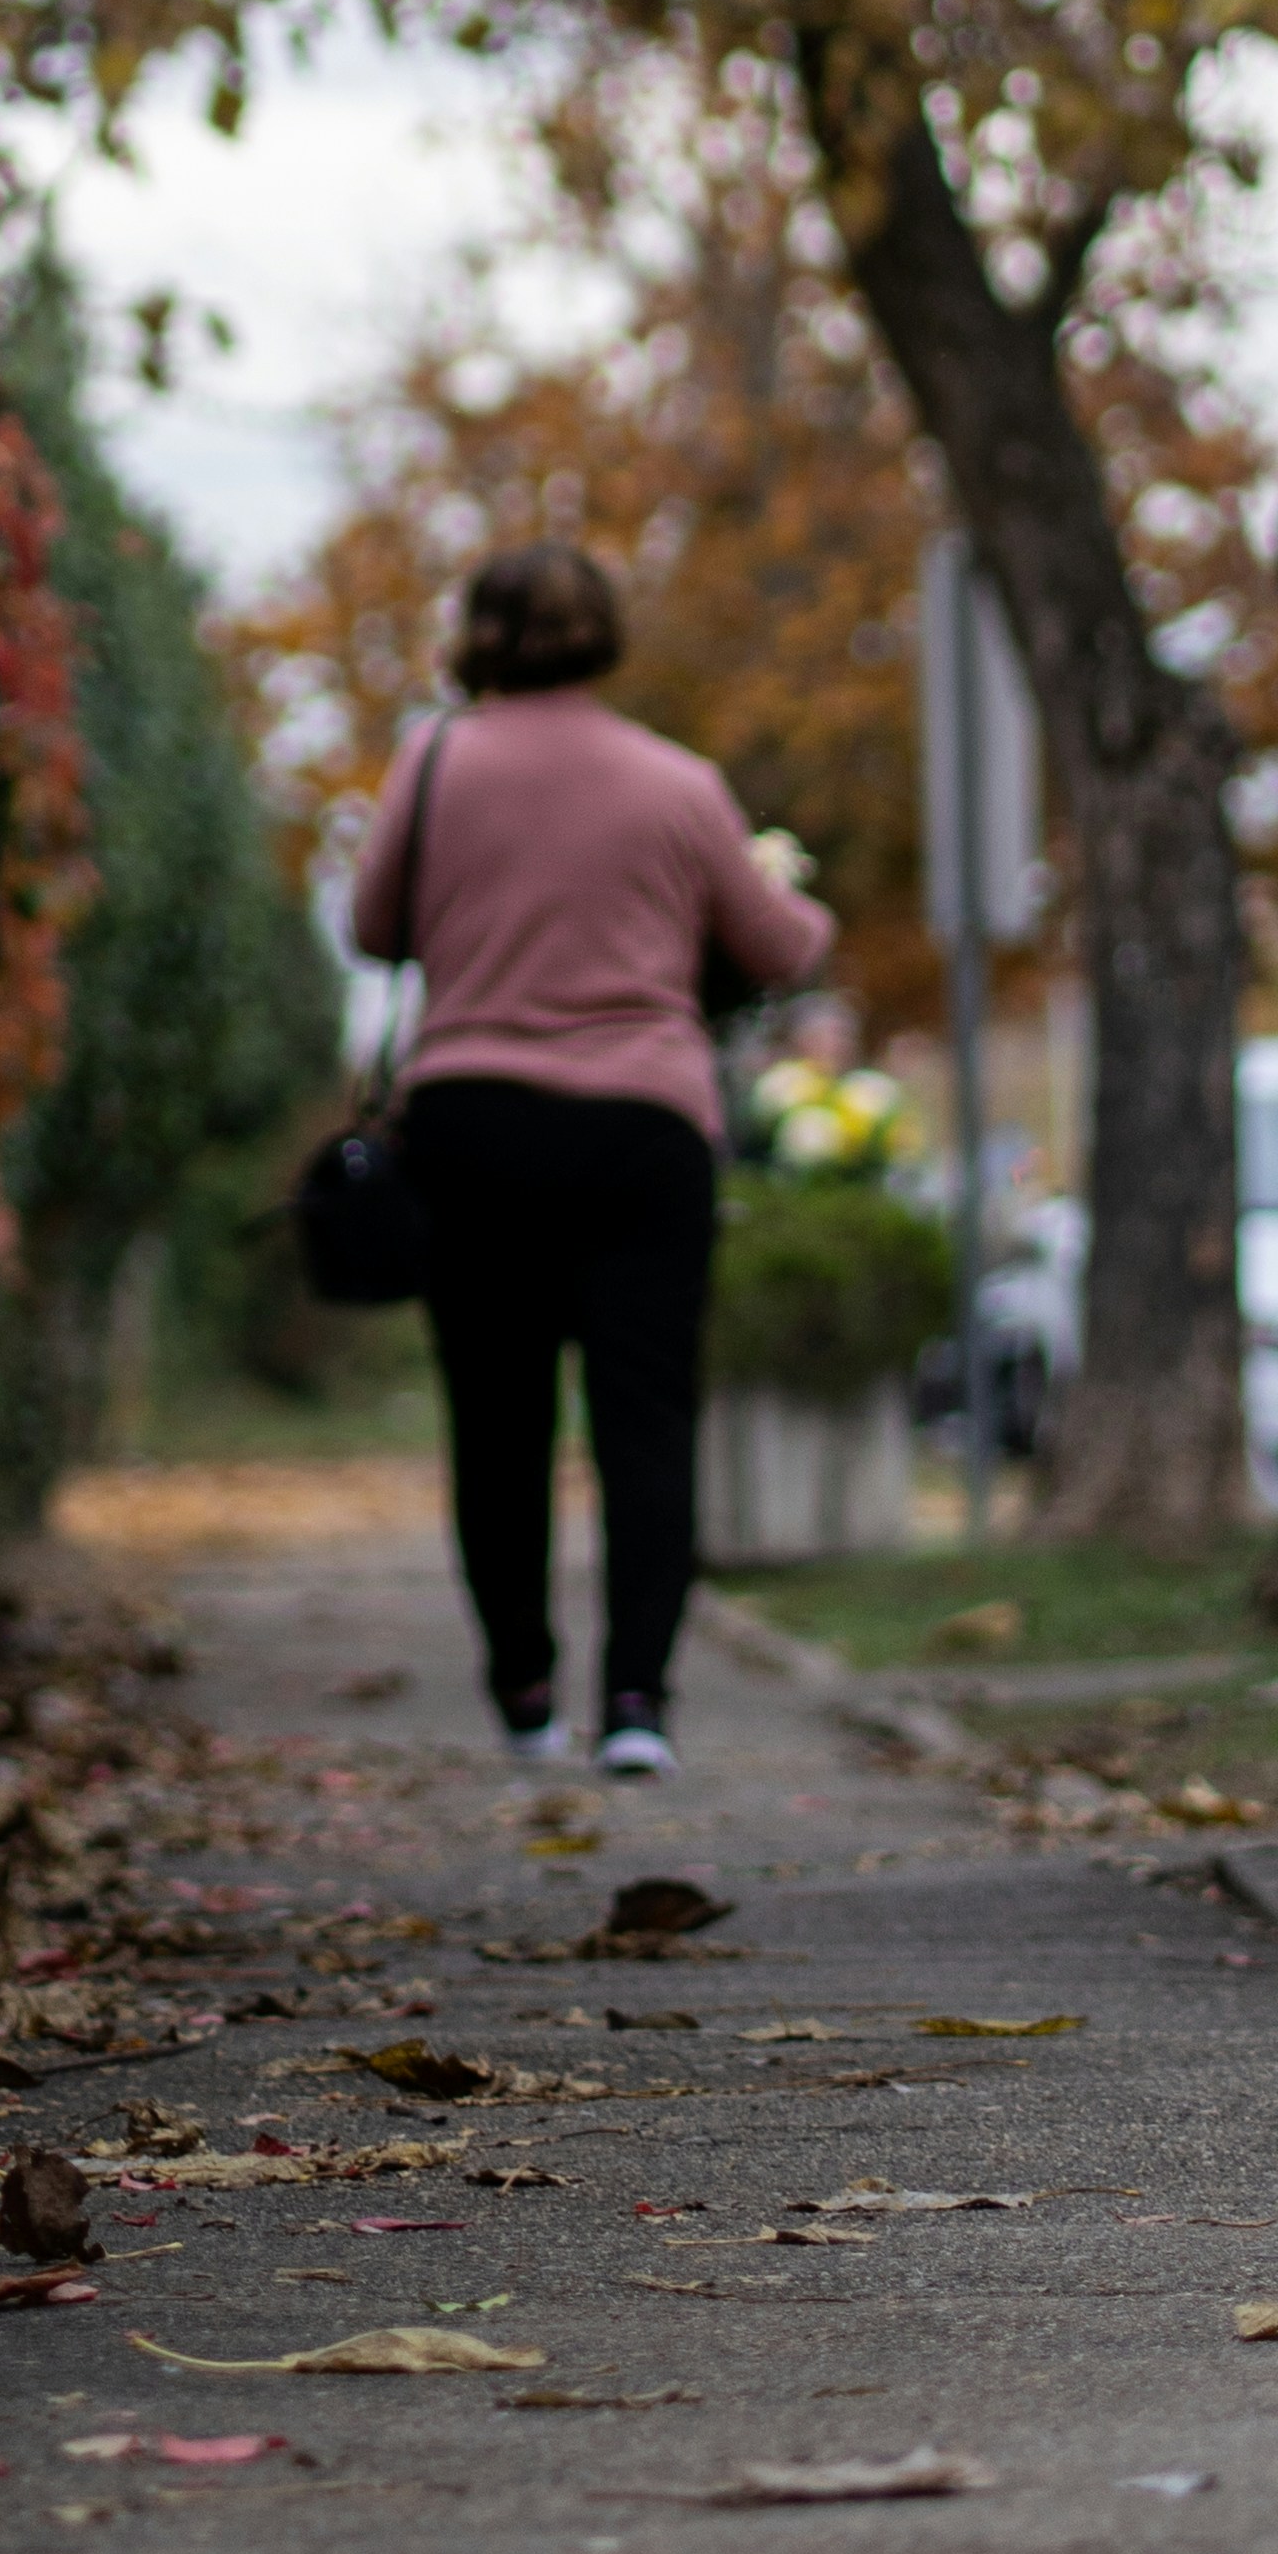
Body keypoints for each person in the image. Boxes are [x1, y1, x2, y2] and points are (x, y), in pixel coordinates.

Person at [346, 539, 833, 1773]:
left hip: (475, 1123)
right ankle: (636, 1707)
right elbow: (779, 950)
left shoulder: (434, 760)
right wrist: (787, 893)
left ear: (477, 635)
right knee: (646, 1419)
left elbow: (370, 928)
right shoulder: (677, 783)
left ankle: (522, 1691)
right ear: (604, 632)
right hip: (642, 1131)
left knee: (497, 1421)